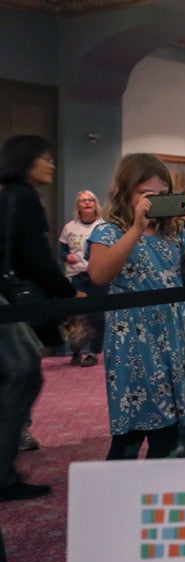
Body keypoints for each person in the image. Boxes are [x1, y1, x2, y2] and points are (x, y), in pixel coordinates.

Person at [87, 153, 185, 459]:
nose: (153, 202)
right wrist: (137, 228)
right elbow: (100, 274)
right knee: (130, 433)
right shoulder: (108, 231)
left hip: (170, 338)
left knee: (168, 430)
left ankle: (156, 492)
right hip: (131, 345)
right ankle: (119, 497)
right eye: (146, 194)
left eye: (162, 196)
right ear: (125, 192)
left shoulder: (174, 233)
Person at [0, 135, 74, 501]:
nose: (51, 165)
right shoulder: (24, 197)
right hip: (8, 304)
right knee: (24, 375)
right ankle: (3, 474)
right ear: (28, 161)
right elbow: (33, 257)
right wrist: (66, 290)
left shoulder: (7, 194)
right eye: (45, 158)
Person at [58, 190, 105, 366]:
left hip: (96, 274)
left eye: (90, 200)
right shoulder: (69, 227)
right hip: (75, 275)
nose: (86, 203)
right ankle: (76, 352)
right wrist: (66, 257)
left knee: (96, 315)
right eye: (82, 201)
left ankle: (93, 352)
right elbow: (62, 251)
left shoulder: (102, 226)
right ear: (77, 206)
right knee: (75, 317)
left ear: (95, 204)